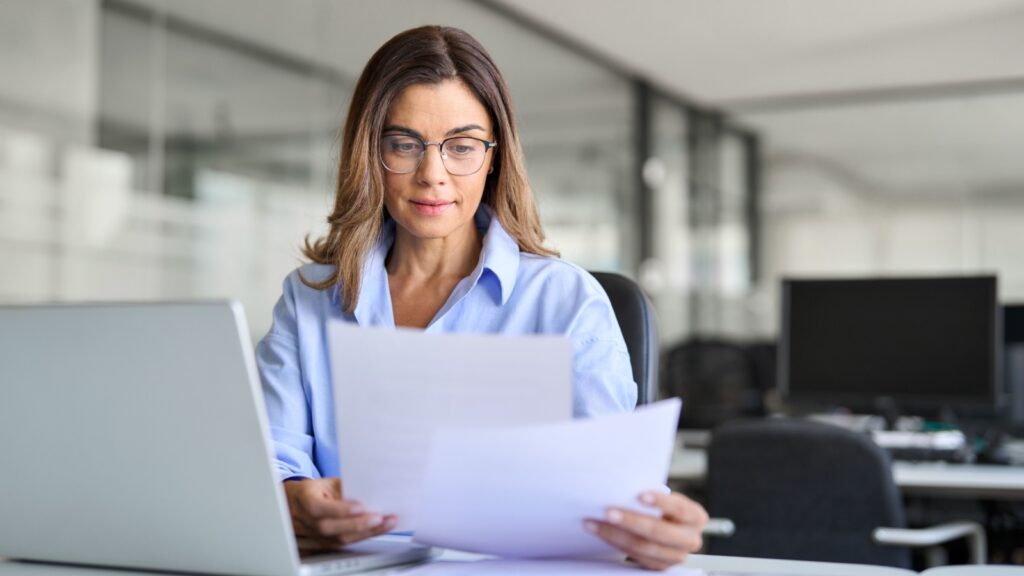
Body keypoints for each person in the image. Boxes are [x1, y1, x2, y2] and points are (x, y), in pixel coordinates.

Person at [255, 25, 708, 571]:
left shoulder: (566, 303)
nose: (432, 175)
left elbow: (616, 503)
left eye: (462, 147)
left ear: (494, 156)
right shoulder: (309, 299)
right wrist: (290, 503)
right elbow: (270, 468)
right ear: (369, 153)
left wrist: (652, 531)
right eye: (403, 145)